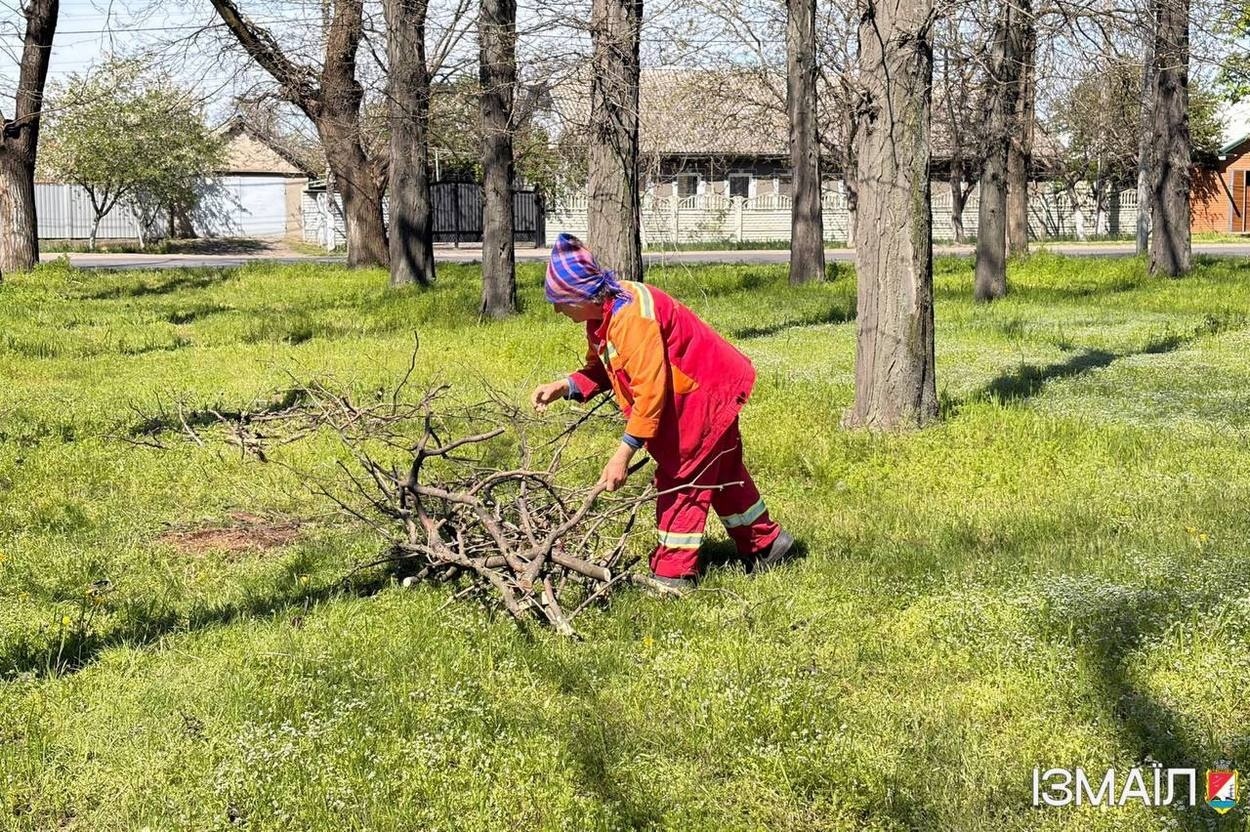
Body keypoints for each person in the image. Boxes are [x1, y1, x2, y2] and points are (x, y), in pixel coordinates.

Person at [531, 233, 796, 591]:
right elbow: (603, 370)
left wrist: (622, 455)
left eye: (560, 302)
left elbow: (650, 393)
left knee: (682, 481)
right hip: (704, 395)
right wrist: (564, 386)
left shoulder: (632, 319)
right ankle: (766, 545)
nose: (557, 311)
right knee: (724, 476)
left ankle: (673, 575)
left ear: (581, 294)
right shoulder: (601, 319)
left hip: (703, 400)